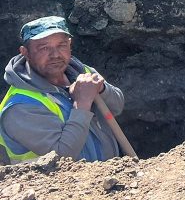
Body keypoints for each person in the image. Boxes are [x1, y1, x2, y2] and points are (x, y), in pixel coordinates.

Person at [1, 16, 126, 163]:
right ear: (25, 53)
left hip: (108, 178)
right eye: (44, 48)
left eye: (61, 45)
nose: (55, 55)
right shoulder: (21, 106)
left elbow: (117, 107)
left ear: (70, 44)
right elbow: (61, 156)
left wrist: (102, 88)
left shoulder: (80, 71)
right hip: (56, 184)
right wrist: (82, 103)